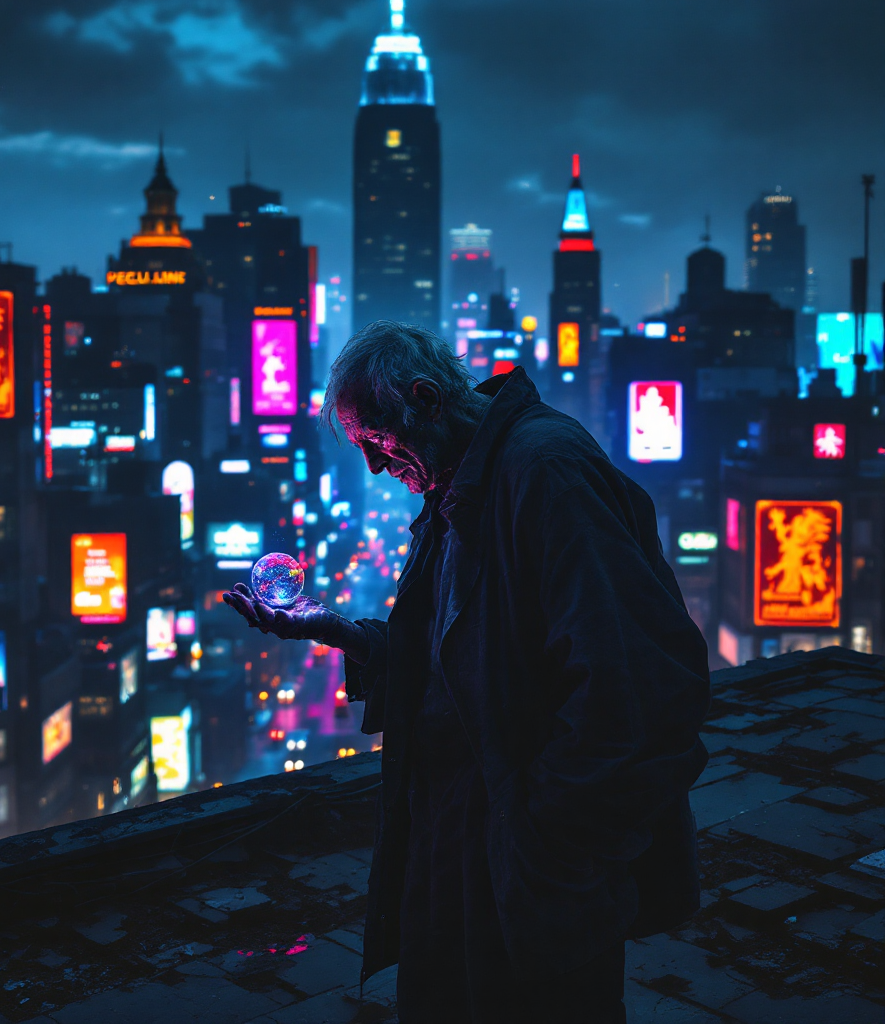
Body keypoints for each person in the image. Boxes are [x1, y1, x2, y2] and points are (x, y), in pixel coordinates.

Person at [223, 321, 710, 1024]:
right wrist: (339, 633)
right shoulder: (462, 481)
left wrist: (547, 845)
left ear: (425, 399)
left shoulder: (543, 471)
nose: (374, 467)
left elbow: (638, 685)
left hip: (523, 848)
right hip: (463, 837)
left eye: (377, 442)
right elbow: (462, 658)